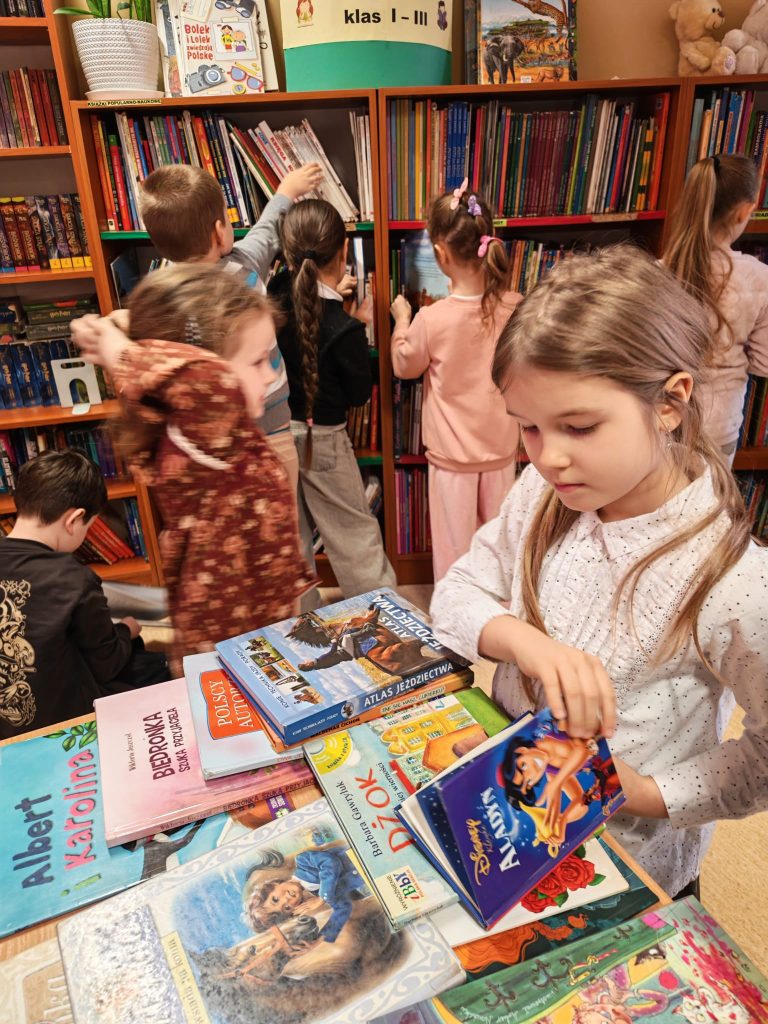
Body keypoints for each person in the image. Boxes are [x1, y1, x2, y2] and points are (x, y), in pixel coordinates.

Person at [429, 244, 768, 900]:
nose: (549, 457)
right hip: (510, 811)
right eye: (528, 428)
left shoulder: (737, 584)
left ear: (669, 404)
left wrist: (646, 795)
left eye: (579, 426)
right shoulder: (543, 493)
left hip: (628, 863)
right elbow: (457, 593)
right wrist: (526, 643)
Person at [72, 264, 315, 675]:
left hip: (263, 632)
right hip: (224, 651)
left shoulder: (226, 433)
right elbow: (207, 379)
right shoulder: (200, 436)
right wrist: (120, 348)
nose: (271, 373)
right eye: (257, 361)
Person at [138, 161, 323, 497]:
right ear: (218, 231)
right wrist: (286, 192)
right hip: (273, 426)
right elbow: (267, 230)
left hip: (207, 441)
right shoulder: (243, 265)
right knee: (286, 527)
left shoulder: (159, 296)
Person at [390, 183, 521, 579]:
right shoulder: (516, 307)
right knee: (499, 549)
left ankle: (455, 626)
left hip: (452, 463)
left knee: (455, 554)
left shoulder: (433, 318)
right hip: (500, 454)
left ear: (442, 255)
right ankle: (498, 621)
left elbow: (404, 365)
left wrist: (401, 320)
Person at [268, 198, 396, 602]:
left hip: (273, 435)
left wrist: (331, 299)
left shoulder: (272, 294)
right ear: (343, 254)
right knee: (354, 532)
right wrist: (353, 319)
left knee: (291, 540)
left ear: (286, 254)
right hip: (322, 441)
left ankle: (298, 625)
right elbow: (358, 394)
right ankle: (385, 622)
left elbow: (301, 301)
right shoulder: (345, 329)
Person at [0, 450, 169, 737]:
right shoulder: (73, 577)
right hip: (58, 723)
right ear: (74, 520)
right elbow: (107, 663)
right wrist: (127, 629)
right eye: (88, 528)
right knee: (158, 665)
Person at [662, 153, 768, 464]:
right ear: (743, 212)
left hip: (661, 420)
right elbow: (763, 362)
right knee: (709, 508)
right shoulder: (757, 277)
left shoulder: (657, 272)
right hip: (718, 426)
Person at [247, 848, 368, 944]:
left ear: (273, 885)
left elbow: (330, 862)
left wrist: (322, 898)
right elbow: (344, 908)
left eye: (275, 899)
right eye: (287, 908)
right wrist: (320, 940)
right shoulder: (319, 893)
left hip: (366, 849)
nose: (286, 899)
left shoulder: (303, 861)